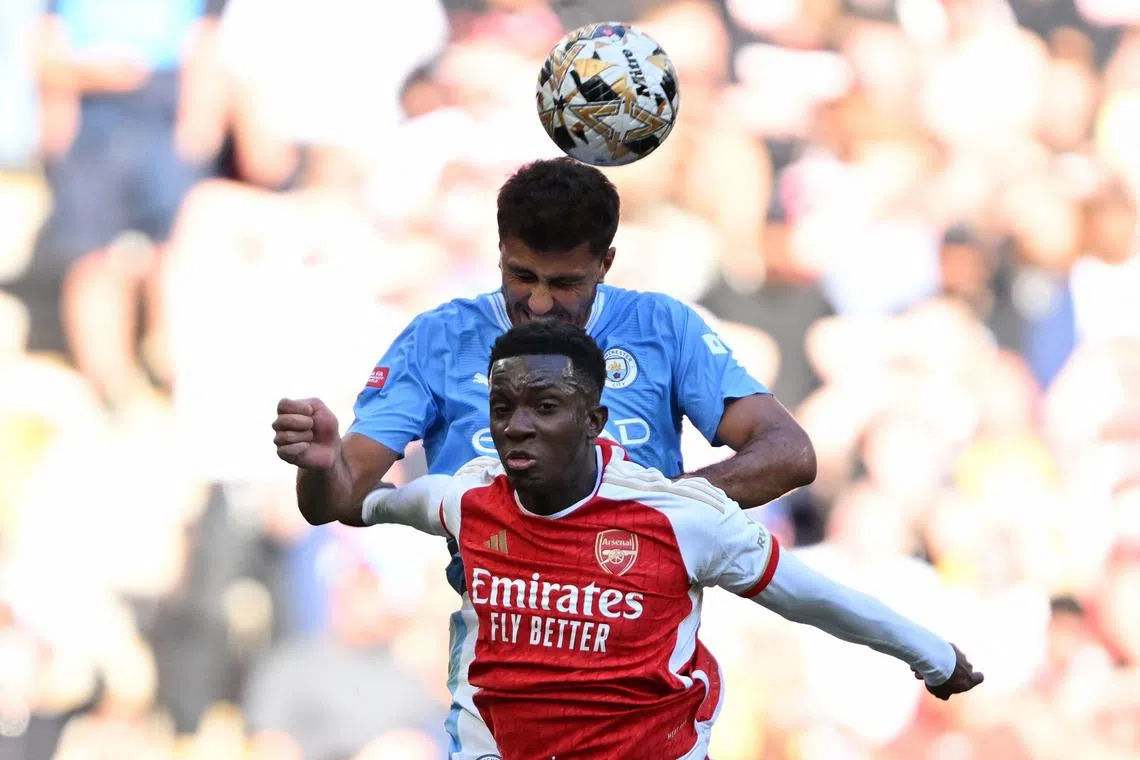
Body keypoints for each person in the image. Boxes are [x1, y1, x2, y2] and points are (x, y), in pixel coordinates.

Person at [272, 157, 817, 758]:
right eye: (520, 275)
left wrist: (663, 505)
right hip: (504, 670)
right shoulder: (440, 339)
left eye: (564, 284)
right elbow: (338, 498)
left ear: (605, 264)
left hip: (640, 677)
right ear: (500, 249)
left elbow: (788, 452)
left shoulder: (663, 328)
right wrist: (320, 463)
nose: (536, 303)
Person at [355, 320, 984, 759]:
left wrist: (931, 654)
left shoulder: (678, 518)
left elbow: (815, 597)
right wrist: (322, 462)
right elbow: (361, 502)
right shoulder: (466, 498)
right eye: (502, 408)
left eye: (544, 408)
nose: (516, 428)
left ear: (593, 420)